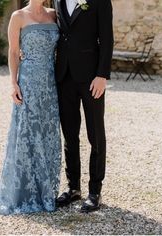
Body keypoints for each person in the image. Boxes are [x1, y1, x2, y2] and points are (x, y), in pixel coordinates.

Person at [0, 0, 61, 215]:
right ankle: (22, 192)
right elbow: (13, 52)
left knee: (48, 133)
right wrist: (13, 83)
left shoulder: (53, 15)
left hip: (51, 83)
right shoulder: (18, 16)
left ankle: (45, 190)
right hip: (28, 82)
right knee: (27, 132)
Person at [54, 0, 114, 212]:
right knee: (69, 134)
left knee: (95, 134)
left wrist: (102, 75)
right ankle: (73, 187)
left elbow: (107, 38)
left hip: (91, 78)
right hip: (64, 76)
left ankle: (95, 191)